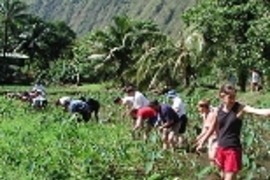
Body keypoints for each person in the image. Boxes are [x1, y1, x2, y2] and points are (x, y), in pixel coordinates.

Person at [196, 84, 270, 180]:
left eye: (234, 96)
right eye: (230, 97)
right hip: (221, 147)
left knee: (229, 178)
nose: (232, 100)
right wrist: (202, 142)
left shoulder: (240, 108)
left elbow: (260, 112)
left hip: (233, 149)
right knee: (222, 176)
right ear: (222, 96)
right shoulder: (218, 111)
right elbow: (212, 128)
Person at [195, 99, 217, 165]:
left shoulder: (212, 115)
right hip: (211, 138)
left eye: (199, 107)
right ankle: (214, 173)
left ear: (204, 107)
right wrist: (198, 138)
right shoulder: (204, 115)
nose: (198, 109)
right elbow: (205, 129)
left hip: (216, 138)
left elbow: (210, 130)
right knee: (211, 158)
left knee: (213, 157)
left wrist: (202, 141)